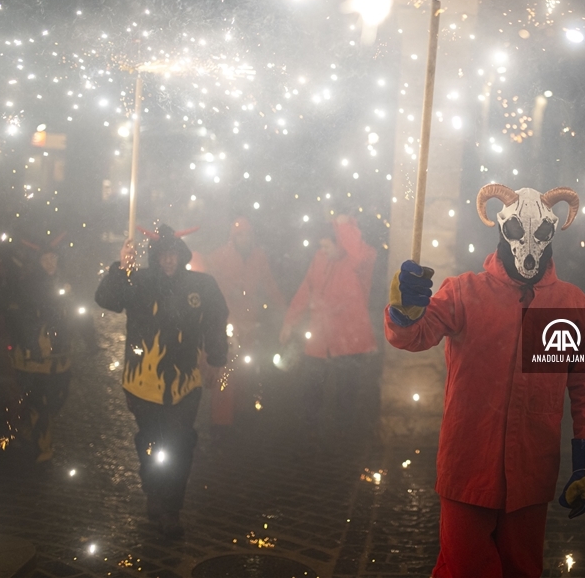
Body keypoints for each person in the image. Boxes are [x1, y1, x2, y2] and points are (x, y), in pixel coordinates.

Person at [385, 184, 585, 577]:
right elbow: (413, 337)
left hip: (531, 471)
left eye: (539, 233)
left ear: (552, 233)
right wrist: (406, 311)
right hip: (467, 466)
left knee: (522, 570)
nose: (527, 245)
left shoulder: (573, 305)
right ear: (501, 230)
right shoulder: (463, 293)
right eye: (517, 232)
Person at [95, 224, 228, 538]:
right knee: (150, 441)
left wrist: (217, 359)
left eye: (174, 255)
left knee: (180, 444)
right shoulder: (138, 281)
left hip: (185, 384)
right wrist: (120, 267)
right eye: (163, 255)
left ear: (182, 256)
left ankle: (171, 510)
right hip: (141, 382)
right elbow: (106, 298)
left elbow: (215, 321)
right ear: (156, 257)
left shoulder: (203, 285)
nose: (169, 261)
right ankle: (153, 488)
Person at [279, 214, 376, 438]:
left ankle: (343, 435)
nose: (323, 250)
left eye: (326, 245)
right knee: (312, 383)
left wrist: (342, 225)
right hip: (320, 333)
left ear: (340, 241)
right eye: (320, 246)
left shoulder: (361, 258)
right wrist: (289, 321)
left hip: (350, 335)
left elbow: (358, 252)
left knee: (346, 389)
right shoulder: (320, 257)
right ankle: (309, 429)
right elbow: (306, 289)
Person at [205, 217, 284, 438]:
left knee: (245, 370)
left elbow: (269, 283)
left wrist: (283, 308)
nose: (244, 238)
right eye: (240, 234)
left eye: (247, 234)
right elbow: (210, 279)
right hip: (227, 322)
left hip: (249, 322)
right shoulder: (220, 256)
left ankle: (240, 413)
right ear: (233, 236)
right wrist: (228, 291)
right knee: (226, 371)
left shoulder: (258, 257)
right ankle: (221, 421)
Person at [4, 234, 74, 464]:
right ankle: (42, 448)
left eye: (53, 258)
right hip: (34, 356)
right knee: (39, 402)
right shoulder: (27, 285)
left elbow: (70, 316)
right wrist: (31, 346)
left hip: (59, 355)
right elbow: (22, 320)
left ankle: (31, 434)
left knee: (57, 398)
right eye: (46, 259)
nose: (50, 263)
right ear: (38, 261)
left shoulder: (63, 281)